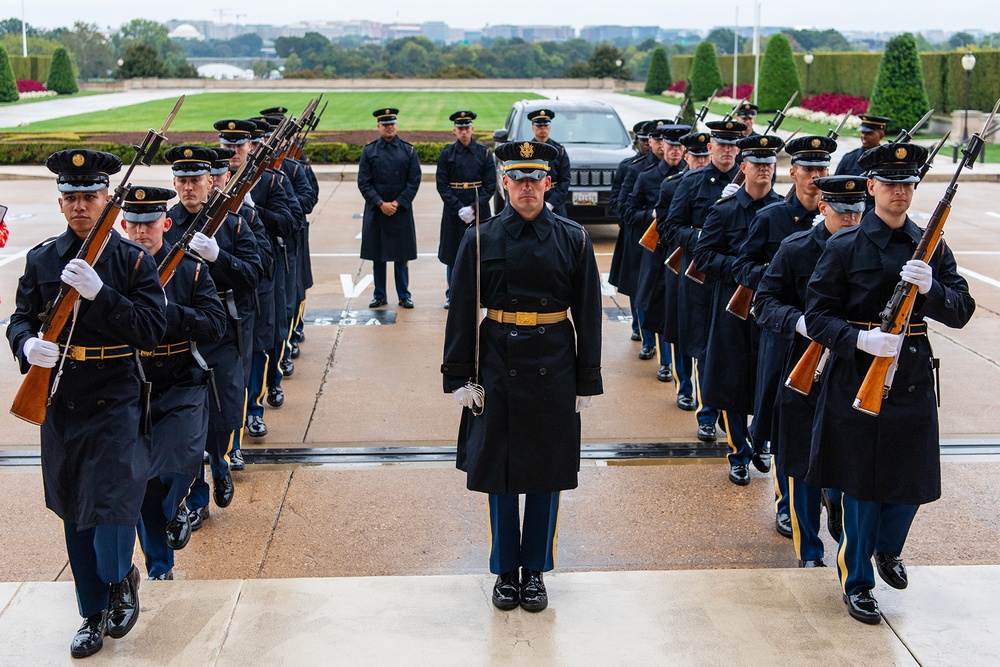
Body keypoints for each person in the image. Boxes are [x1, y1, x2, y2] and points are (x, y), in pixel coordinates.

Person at [804, 143, 974, 624]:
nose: (899, 192)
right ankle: (857, 581)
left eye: (907, 183)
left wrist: (932, 288)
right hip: (857, 378)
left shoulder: (931, 246)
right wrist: (860, 341)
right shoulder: (844, 246)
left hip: (912, 380)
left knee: (911, 482)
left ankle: (887, 548)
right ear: (871, 186)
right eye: (890, 183)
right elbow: (817, 317)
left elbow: (961, 311)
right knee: (860, 486)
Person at [7, 149, 167, 658]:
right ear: (60, 204)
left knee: (113, 498)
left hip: (117, 392)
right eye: (71, 198)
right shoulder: (42, 260)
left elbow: (151, 329)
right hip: (62, 399)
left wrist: (103, 294)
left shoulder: (133, 260)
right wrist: (28, 345)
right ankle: (91, 612)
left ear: (108, 204)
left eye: (90, 197)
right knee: (75, 509)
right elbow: (20, 319)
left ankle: (120, 577)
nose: (81, 206)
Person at [442, 140, 603, 613]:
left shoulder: (573, 237)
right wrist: (458, 378)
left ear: (548, 184)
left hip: (554, 362)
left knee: (546, 474)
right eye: (519, 179)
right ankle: (505, 571)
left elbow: (589, 312)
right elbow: (462, 313)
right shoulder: (481, 238)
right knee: (499, 473)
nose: (527, 187)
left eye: (536, 179)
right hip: (496, 363)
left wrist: (585, 380)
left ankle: (534, 570)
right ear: (505, 183)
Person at [753, 175, 867, 568]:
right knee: (800, 463)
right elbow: (764, 302)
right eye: (843, 212)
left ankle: (834, 502)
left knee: (844, 461)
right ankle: (811, 552)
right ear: (823, 209)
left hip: (851, 368)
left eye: (858, 212)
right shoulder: (797, 248)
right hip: (804, 367)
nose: (852, 220)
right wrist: (800, 323)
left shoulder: (868, 250)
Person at [733, 134, 837, 537]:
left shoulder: (845, 220)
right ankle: (786, 502)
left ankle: (827, 495)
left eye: (822, 169)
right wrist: (779, 274)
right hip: (785, 336)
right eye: (808, 169)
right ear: (791, 172)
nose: (815, 176)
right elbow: (744, 267)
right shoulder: (772, 218)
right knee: (784, 424)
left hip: (834, 340)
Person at [122, 186, 227, 581]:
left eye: (149, 222)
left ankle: (182, 502)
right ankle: (160, 567)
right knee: (146, 483)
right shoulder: (113, 272)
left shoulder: (190, 269)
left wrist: (169, 311)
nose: (140, 231)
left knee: (177, 465)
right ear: (122, 225)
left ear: (165, 223)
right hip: (133, 384)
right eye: (132, 223)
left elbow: (214, 324)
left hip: (181, 381)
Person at [164, 145, 262, 530]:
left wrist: (220, 256)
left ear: (211, 182)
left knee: (222, 417)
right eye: (182, 181)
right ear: (174, 184)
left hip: (222, 329)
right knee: (187, 429)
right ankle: (197, 497)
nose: (189, 188)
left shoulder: (233, 223)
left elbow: (254, 274)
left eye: (196, 180)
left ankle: (219, 461)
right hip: (178, 334)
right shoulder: (164, 223)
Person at [693, 134, 783, 485]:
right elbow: (703, 257)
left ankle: (760, 439)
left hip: (771, 309)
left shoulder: (783, 213)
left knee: (767, 377)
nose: (763, 170)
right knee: (730, 382)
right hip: (733, 306)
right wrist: (744, 270)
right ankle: (738, 451)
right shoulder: (724, 210)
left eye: (769, 164)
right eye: (757, 164)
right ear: (743, 167)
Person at [662, 119, 745, 442]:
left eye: (732, 146)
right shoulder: (692, 182)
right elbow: (672, 228)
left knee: (735, 352)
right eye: (721, 145)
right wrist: (704, 237)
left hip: (735, 280)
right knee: (705, 349)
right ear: (710, 148)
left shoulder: (748, 184)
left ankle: (731, 415)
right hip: (700, 280)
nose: (726, 151)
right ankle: (708, 414)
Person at [622, 123, 688, 362]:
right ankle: (653, 347)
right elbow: (627, 211)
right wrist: (650, 215)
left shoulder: (690, 178)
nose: (674, 150)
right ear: (662, 145)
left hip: (679, 248)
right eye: (670, 145)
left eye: (680, 145)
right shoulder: (646, 176)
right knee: (649, 300)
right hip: (653, 248)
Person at [654, 132, 711, 405]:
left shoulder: (728, 186)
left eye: (704, 156)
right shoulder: (673, 186)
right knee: (681, 328)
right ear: (686, 156)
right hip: (682, 264)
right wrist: (699, 236)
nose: (700, 162)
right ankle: (685, 386)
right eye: (696, 156)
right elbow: (665, 230)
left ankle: (706, 397)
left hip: (713, 269)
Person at [358, 107, 421, 308]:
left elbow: (414, 180)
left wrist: (398, 202)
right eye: (385, 125)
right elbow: (363, 182)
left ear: (396, 125)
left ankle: (404, 294)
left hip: (400, 210)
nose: (389, 127)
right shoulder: (369, 151)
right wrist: (380, 203)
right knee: (378, 256)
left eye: (392, 124)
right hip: (377, 210)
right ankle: (379, 294)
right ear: (378, 127)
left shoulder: (408, 150)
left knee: (401, 256)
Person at [435, 110, 496, 309]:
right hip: (454, 211)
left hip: (478, 208)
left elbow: (490, 185)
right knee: (453, 254)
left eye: (467, 128)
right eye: (460, 128)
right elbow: (442, 185)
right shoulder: (447, 154)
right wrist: (458, 208)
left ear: (472, 129)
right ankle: (452, 294)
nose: (464, 132)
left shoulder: (484, 153)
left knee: (481, 254)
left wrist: (474, 208)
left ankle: (480, 293)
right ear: (454, 130)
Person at [527, 109, 571, 218]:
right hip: (533, 198)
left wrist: (550, 204)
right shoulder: (527, 151)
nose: (542, 129)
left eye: (545, 126)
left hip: (555, 201)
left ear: (549, 128)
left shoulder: (559, 150)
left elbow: (565, 180)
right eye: (539, 126)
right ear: (533, 128)